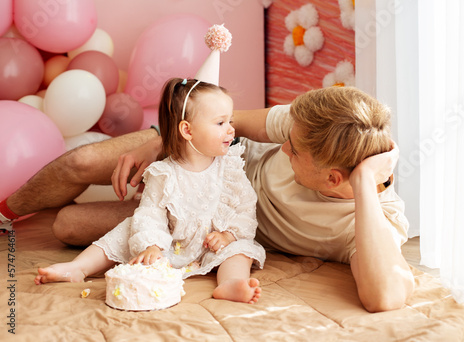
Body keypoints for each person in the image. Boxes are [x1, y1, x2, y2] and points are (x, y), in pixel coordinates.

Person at [1, 86, 414, 313]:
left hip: (213, 220)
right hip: (205, 155)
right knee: (82, 161)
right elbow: (229, 126)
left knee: (67, 226)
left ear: (335, 177)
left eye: (294, 149)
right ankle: (4, 212)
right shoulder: (313, 125)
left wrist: (364, 185)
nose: (284, 147)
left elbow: (385, 298)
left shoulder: (374, 221)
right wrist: (164, 144)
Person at [34, 78, 266, 305]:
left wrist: (228, 235)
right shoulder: (163, 173)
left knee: (242, 250)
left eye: (230, 121)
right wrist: (152, 245)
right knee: (126, 229)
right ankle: (79, 267)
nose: (231, 129)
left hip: (210, 245)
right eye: (220, 123)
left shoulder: (230, 166)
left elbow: (244, 206)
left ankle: (230, 282)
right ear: (187, 130)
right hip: (169, 243)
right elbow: (150, 214)